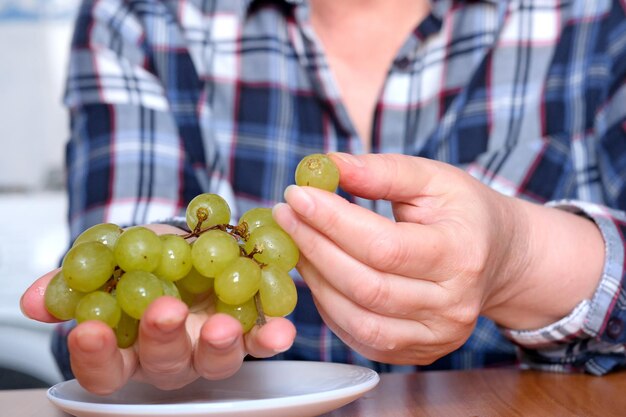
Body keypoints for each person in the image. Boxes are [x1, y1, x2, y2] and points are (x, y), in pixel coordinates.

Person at [20, 0, 626, 395]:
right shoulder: (139, 18)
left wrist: (520, 259)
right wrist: (153, 336)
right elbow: (119, 283)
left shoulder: (599, 18)